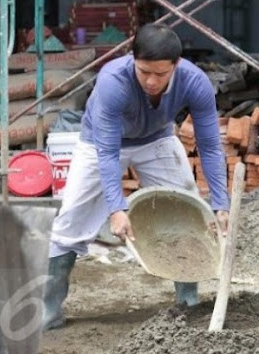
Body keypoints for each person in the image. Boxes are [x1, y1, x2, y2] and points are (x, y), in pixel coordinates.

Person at [43, 24, 229, 330]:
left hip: (156, 140)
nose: (151, 81)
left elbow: (209, 146)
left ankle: (188, 304)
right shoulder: (113, 81)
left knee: (185, 212)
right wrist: (117, 209)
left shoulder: (195, 82)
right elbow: (107, 152)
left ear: (176, 66)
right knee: (70, 225)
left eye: (160, 74)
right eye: (144, 72)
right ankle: (48, 312)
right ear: (132, 60)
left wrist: (221, 204)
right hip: (99, 144)